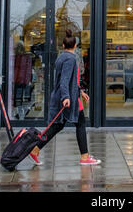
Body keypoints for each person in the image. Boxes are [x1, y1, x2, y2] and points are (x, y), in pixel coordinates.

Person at [29, 29, 101, 166]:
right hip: (67, 99)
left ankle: (35, 149)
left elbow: (71, 80)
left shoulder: (61, 57)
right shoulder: (70, 59)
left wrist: (80, 92)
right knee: (79, 124)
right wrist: (66, 97)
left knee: (57, 126)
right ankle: (85, 157)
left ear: (63, 45)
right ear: (75, 46)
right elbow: (65, 81)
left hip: (67, 96)